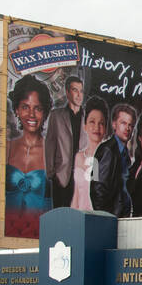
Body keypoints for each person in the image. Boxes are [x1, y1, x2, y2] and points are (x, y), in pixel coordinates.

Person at [5, 75, 52, 238]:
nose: (31, 114)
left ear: (44, 112)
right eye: (25, 107)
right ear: (17, 109)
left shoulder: (53, 151)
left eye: (38, 108)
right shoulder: (6, 148)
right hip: (4, 236)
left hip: (42, 236)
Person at [44, 75, 86, 208]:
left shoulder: (88, 118)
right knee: (60, 216)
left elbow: (94, 148)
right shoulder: (56, 116)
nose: (79, 95)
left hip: (82, 176)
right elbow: (50, 144)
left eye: (81, 91)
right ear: (67, 92)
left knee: (80, 217)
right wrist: (51, 173)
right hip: (61, 176)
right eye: (75, 90)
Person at [91, 103, 136, 217]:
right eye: (123, 123)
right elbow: (97, 188)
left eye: (130, 125)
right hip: (112, 218)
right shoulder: (107, 150)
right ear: (114, 124)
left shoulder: (124, 153)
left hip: (123, 217)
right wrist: (105, 219)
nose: (127, 128)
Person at [71, 96, 109, 210]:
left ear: (106, 128)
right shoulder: (79, 157)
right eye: (92, 122)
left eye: (101, 123)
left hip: (100, 218)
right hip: (80, 219)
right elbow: (77, 196)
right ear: (85, 126)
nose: (96, 127)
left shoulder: (109, 158)